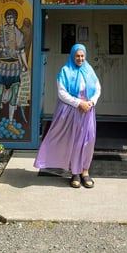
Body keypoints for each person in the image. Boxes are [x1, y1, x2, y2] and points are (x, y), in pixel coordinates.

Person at [34, 43, 101, 189]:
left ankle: (85, 171)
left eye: (82, 55)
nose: (80, 58)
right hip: (72, 112)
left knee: (89, 141)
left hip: (88, 111)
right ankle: (76, 173)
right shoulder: (65, 71)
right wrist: (79, 103)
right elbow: (62, 93)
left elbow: (97, 88)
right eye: (77, 56)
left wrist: (91, 102)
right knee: (75, 141)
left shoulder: (89, 70)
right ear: (72, 56)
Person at [0, 8, 29, 136]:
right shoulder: (0, 31)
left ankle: (10, 122)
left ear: (16, 18)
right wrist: (0, 47)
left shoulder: (19, 34)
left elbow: (21, 51)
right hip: (2, 65)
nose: (10, 19)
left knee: (15, 94)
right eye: (8, 17)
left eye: (12, 17)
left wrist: (25, 65)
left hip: (15, 66)